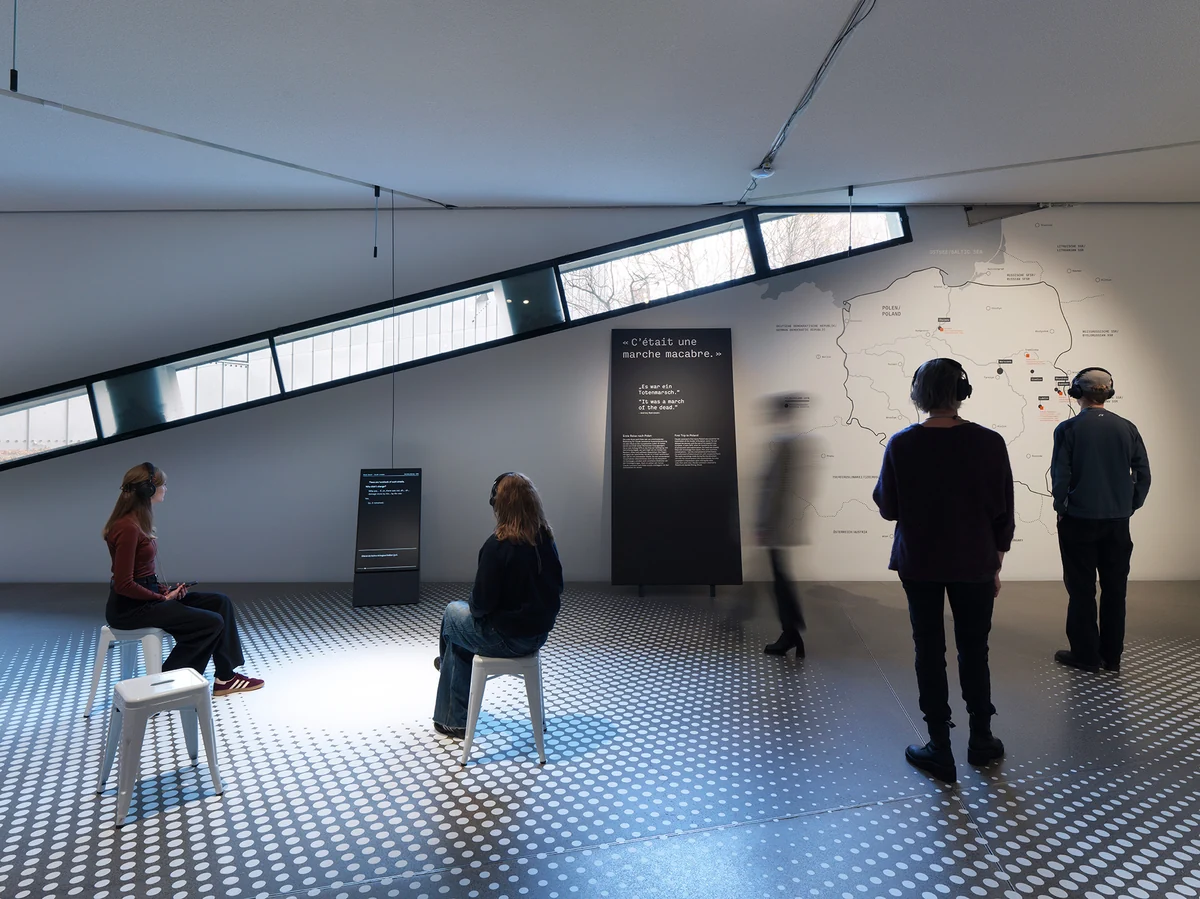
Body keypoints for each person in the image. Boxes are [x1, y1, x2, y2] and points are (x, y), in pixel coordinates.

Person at [872, 358, 1013, 783]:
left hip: (920, 562)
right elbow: (1003, 512)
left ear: (918, 394)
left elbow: (888, 507)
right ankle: (981, 739)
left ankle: (939, 747)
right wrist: (996, 561)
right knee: (975, 649)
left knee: (928, 650)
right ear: (962, 393)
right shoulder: (990, 442)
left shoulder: (902, 444)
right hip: (975, 561)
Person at [103, 462, 264, 696]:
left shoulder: (137, 522)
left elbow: (141, 574)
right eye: (162, 484)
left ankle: (226, 677)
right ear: (148, 490)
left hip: (145, 599)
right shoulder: (128, 527)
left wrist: (164, 591)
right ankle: (163, 687)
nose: (166, 488)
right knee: (210, 622)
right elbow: (124, 584)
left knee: (219, 602)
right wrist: (161, 598)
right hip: (130, 609)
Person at [432, 472, 563, 738]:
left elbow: (480, 605)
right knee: (458, 637)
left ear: (498, 504)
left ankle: (453, 715)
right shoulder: (545, 540)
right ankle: (451, 711)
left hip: (507, 638)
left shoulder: (497, 547)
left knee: (452, 614)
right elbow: (557, 588)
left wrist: (474, 603)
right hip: (538, 636)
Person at [1051, 367, 1151, 674]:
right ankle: (1112, 656)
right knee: (1115, 589)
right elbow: (1143, 473)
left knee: (1081, 589)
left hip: (1078, 519)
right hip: (1117, 521)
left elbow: (1061, 474)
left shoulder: (1068, 429)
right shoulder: (1127, 427)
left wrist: (1061, 506)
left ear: (1076, 393)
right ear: (1109, 393)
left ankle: (1086, 655)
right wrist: (1130, 504)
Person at [756, 394, 811, 657]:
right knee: (780, 577)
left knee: (780, 580)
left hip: (776, 524)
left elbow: (774, 489)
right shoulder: (796, 442)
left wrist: (763, 523)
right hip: (783, 523)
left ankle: (791, 633)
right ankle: (792, 631)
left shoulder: (784, 444)